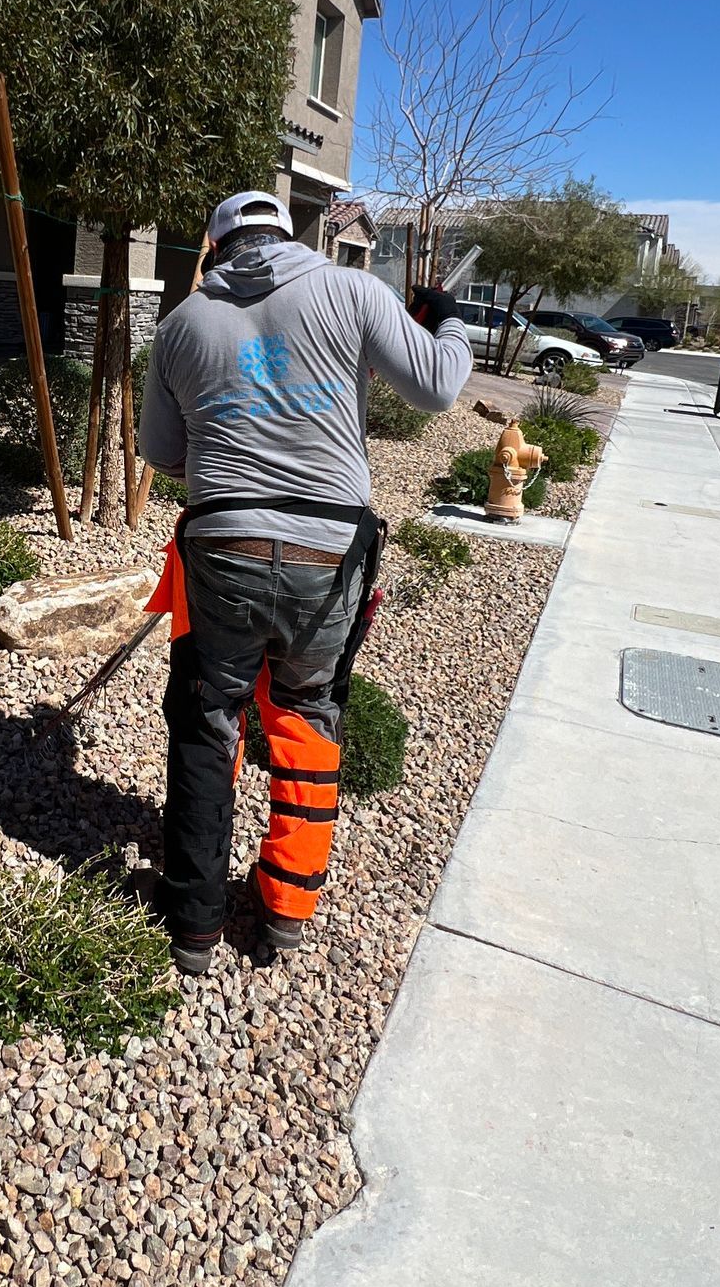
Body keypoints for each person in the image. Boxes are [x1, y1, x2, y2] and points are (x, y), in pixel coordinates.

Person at [136, 191, 473, 974]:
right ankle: (285, 911)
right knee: (305, 714)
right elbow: (438, 387)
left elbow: (161, 452)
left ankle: (192, 924)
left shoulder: (182, 325)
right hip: (330, 553)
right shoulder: (352, 290)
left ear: (216, 248)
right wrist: (446, 318)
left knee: (206, 717)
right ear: (296, 238)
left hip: (223, 542)